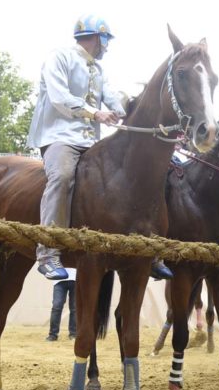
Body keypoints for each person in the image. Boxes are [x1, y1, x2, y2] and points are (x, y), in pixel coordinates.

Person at [27, 14, 172, 281]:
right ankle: (48, 251)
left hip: (89, 141)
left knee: (133, 177)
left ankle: (151, 251)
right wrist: (96, 114)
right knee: (62, 177)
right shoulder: (59, 58)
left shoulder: (98, 69)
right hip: (59, 137)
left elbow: (110, 96)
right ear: (99, 37)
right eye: (106, 41)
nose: (107, 46)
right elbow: (59, 98)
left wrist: (123, 111)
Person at [46, 268, 77, 342]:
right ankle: (53, 335)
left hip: (76, 278)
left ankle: (73, 334)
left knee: (75, 308)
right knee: (56, 306)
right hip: (59, 280)